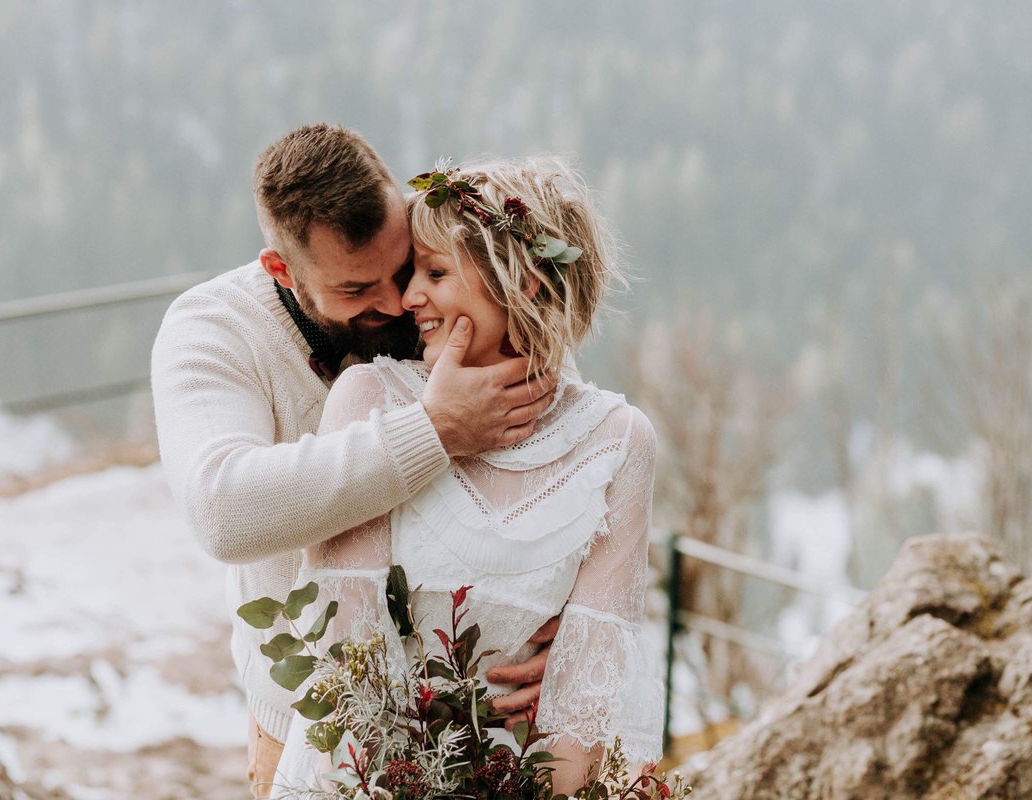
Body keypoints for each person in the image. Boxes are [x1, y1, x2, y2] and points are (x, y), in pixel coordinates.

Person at [150, 125, 559, 796]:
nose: (398, 301)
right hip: (315, 721)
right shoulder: (211, 332)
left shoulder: (436, 272)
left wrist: (565, 632)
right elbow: (222, 511)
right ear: (281, 269)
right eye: (357, 288)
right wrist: (435, 430)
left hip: (486, 703)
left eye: (402, 268)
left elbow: (556, 451)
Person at [269, 156, 662, 797]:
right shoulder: (370, 400)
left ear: (526, 281)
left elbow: (591, 685)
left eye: (436, 272)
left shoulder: (619, 442)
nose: (407, 298)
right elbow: (348, 649)